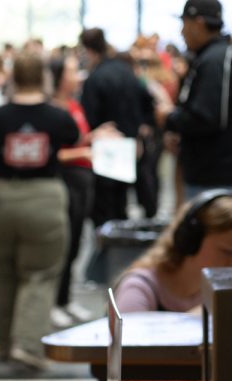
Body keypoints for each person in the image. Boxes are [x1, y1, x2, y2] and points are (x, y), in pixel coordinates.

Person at [0, 52, 79, 371]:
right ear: (44, 78)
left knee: (1, 271)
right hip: (43, 198)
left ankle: (4, 342)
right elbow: (74, 142)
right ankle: (27, 345)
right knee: (40, 273)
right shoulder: (59, 117)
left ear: (13, 78)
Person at [79, 28, 155, 229]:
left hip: (106, 149)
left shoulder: (94, 78)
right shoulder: (126, 71)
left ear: (87, 50)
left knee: (105, 209)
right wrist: (142, 128)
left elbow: (90, 117)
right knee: (122, 202)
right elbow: (148, 100)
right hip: (130, 143)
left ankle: (108, 254)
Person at [158, 0, 232, 200]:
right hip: (209, 172)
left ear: (198, 23)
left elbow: (207, 117)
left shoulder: (215, 59)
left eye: (184, 24)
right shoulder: (209, 57)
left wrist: (170, 117)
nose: (182, 32)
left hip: (214, 176)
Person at [114, 190, 232, 312]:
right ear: (191, 241)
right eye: (227, 252)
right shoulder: (138, 288)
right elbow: (130, 330)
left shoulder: (220, 290)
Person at [48, 53, 99, 328]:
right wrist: (84, 151)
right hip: (66, 179)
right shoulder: (53, 110)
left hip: (83, 178)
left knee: (77, 240)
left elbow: (79, 139)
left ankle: (66, 298)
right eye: (70, 72)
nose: (76, 76)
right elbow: (52, 154)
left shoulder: (74, 105)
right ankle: (55, 301)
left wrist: (97, 136)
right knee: (63, 244)